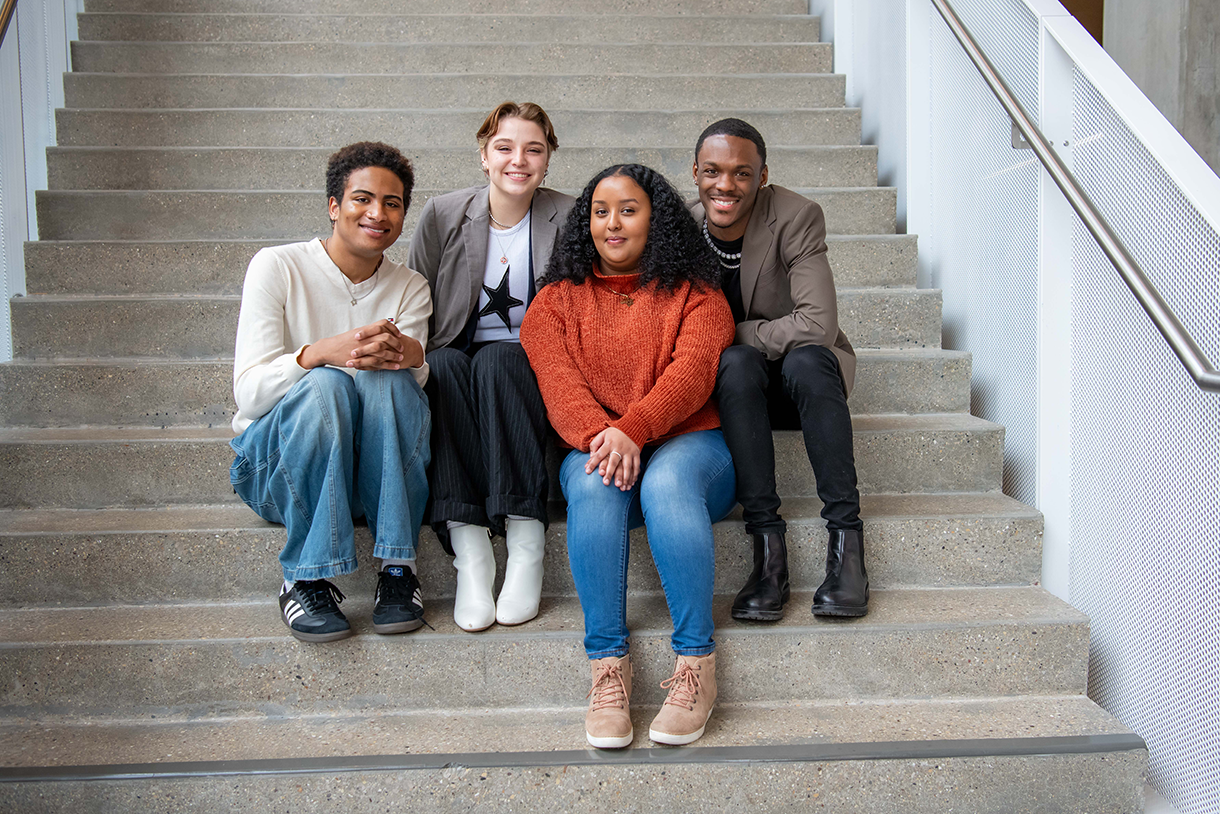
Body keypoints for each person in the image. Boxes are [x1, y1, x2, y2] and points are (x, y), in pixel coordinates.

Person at [521, 164, 736, 749]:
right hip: (597, 449)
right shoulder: (553, 305)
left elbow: (690, 379)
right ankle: (608, 669)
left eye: (628, 209)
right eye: (599, 210)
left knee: (666, 486)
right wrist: (606, 437)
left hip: (691, 448)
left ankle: (696, 663)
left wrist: (634, 429)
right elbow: (560, 389)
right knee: (592, 485)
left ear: (657, 218)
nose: (611, 223)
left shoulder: (698, 295)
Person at [230, 142, 432, 643]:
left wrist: (414, 358)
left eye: (392, 203)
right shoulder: (277, 266)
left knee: (388, 378)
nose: (377, 214)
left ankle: (397, 570)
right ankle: (303, 576)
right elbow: (250, 395)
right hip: (275, 467)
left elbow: (405, 396)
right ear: (333, 206)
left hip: (369, 478)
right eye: (362, 199)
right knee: (326, 383)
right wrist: (317, 353)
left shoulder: (410, 287)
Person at [690, 118, 868, 622]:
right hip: (736, 388)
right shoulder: (680, 227)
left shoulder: (796, 216)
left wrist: (732, 332)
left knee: (810, 357)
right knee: (737, 362)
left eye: (742, 173)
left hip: (801, 385)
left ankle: (847, 546)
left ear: (762, 176)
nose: (725, 185)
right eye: (713, 171)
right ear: (695, 172)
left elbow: (816, 323)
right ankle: (768, 555)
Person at [407, 102, 575, 632]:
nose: (518, 160)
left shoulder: (569, 215)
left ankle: (526, 542)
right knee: (444, 365)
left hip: (534, 361)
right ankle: (470, 551)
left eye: (533, 149)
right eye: (504, 147)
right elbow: (416, 296)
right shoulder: (442, 213)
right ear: (484, 156)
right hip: (457, 353)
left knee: (502, 358)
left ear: (547, 160)